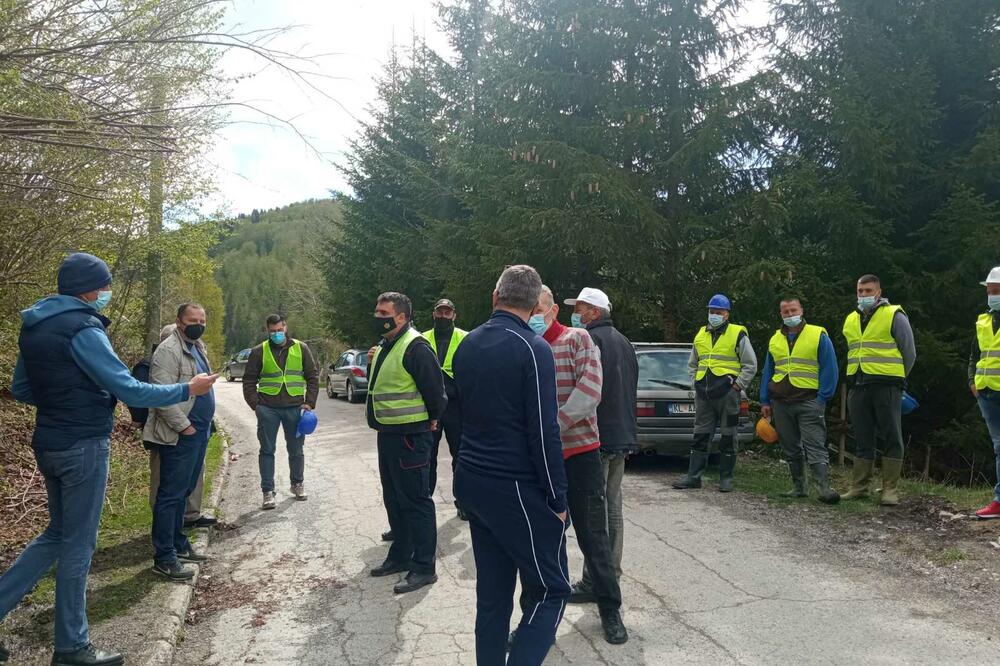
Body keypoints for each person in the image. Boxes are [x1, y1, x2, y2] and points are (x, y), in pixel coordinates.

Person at [2, 253, 217, 666]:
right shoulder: (83, 328)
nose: (107, 292)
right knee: (78, 546)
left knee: (57, 534)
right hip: (82, 445)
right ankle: (71, 646)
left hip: (48, 441)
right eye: (104, 286)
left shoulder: (35, 325)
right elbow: (130, 389)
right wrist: (187, 389)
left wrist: (63, 400)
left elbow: (23, 389)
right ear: (88, 289)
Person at [453, 266, 571, 666]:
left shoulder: (468, 344)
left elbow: (462, 417)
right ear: (536, 304)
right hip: (514, 486)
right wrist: (557, 499)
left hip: (473, 478)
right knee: (553, 589)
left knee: (493, 596)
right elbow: (544, 431)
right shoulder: (533, 349)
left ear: (495, 297)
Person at [530, 287, 627, 644]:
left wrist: (551, 428)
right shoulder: (526, 347)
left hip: (580, 454)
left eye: (538, 309)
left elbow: (590, 391)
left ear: (553, 309)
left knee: (593, 537)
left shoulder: (578, 339)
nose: (533, 316)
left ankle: (610, 609)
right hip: (539, 460)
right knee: (542, 542)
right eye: (529, 310)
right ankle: (539, 617)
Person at [367, 292, 447, 594]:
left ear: (401, 317)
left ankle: (424, 567)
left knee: (416, 502)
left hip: (411, 437)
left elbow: (436, 393)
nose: (378, 317)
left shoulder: (416, 347)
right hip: (388, 434)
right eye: (377, 311)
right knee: (394, 498)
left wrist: (432, 419)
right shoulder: (386, 345)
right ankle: (400, 555)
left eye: (383, 312)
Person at [563, 288, 638, 607]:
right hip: (622, 434)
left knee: (595, 514)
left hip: (599, 437)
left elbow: (589, 391)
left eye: (580, 308)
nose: (575, 314)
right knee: (612, 506)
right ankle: (611, 574)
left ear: (594, 311)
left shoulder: (589, 339)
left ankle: (595, 580)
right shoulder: (624, 341)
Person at [143, 304, 216, 580]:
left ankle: (178, 543)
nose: (198, 325)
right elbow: (161, 395)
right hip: (180, 435)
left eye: (202, 320)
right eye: (192, 320)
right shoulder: (168, 351)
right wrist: (185, 427)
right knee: (170, 495)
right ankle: (164, 557)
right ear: (178, 321)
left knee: (183, 492)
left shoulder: (197, 347)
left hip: (199, 432)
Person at [841, 275, 916, 505]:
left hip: (887, 384)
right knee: (862, 436)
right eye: (860, 291)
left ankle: (890, 490)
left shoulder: (894, 314)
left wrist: (899, 378)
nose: (863, 295)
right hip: (858, 384)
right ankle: (859, 487)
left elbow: (909, 352)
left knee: (891, 435)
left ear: (879, 292)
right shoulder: (851, 319)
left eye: (868, 290)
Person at [673, 294, 757, 492]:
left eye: (718, 312)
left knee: (728, 436)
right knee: (700, 435)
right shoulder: (701, 334)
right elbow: (693, 363)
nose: (714, 315)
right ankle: (694, 477)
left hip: (728, 394)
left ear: (727, 314)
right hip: (704, 394)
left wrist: (738, 385)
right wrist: (695, 382)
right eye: (712, 311)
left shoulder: (737, 334)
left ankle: (726, 478)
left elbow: (750, 364)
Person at [760, 297, 840, 504]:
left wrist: (822, 398)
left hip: (809, 401)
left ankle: (823, 488)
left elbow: (830, 368)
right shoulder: (775, 339)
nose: (790, 315)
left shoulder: (818, 335)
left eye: (793, 310)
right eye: (785, 312)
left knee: (815, 445)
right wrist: (765, 400)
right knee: (790, 446)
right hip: (780, 402)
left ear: (801, 310)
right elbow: (768, 370)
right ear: (781, 314)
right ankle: (799, 488)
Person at [242, 314, 320, 509]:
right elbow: (249, 380)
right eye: (273, 331)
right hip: (268, 408)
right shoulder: (259, 351)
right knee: (267, 450)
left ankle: (297, 484)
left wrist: (309, 403)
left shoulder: (301, 348)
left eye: (279, 330)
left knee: (296, 450)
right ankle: (268, 492)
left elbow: (312, 376)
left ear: (285, 327)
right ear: (267, 330)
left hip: (295, 407)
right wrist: (256, 405)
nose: (276, 334)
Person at [421, 298, 468, 519]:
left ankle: (463, 502)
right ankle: (424, 503)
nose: (443, 316)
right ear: (434, 314)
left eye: (447, 312)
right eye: (439, 312)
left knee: (460, 456)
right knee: (427, 457)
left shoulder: (465, 338)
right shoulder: (421, 339)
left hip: (456, 407)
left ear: (454, 315)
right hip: (429, 407)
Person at [971, 267, 1000, 519]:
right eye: (990, 291)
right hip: (987, 393)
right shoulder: (984, 320)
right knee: (999, 446)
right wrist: (972, 381)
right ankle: (999, 501)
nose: (992, 296)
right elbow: (975, 354)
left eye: (997, 291)